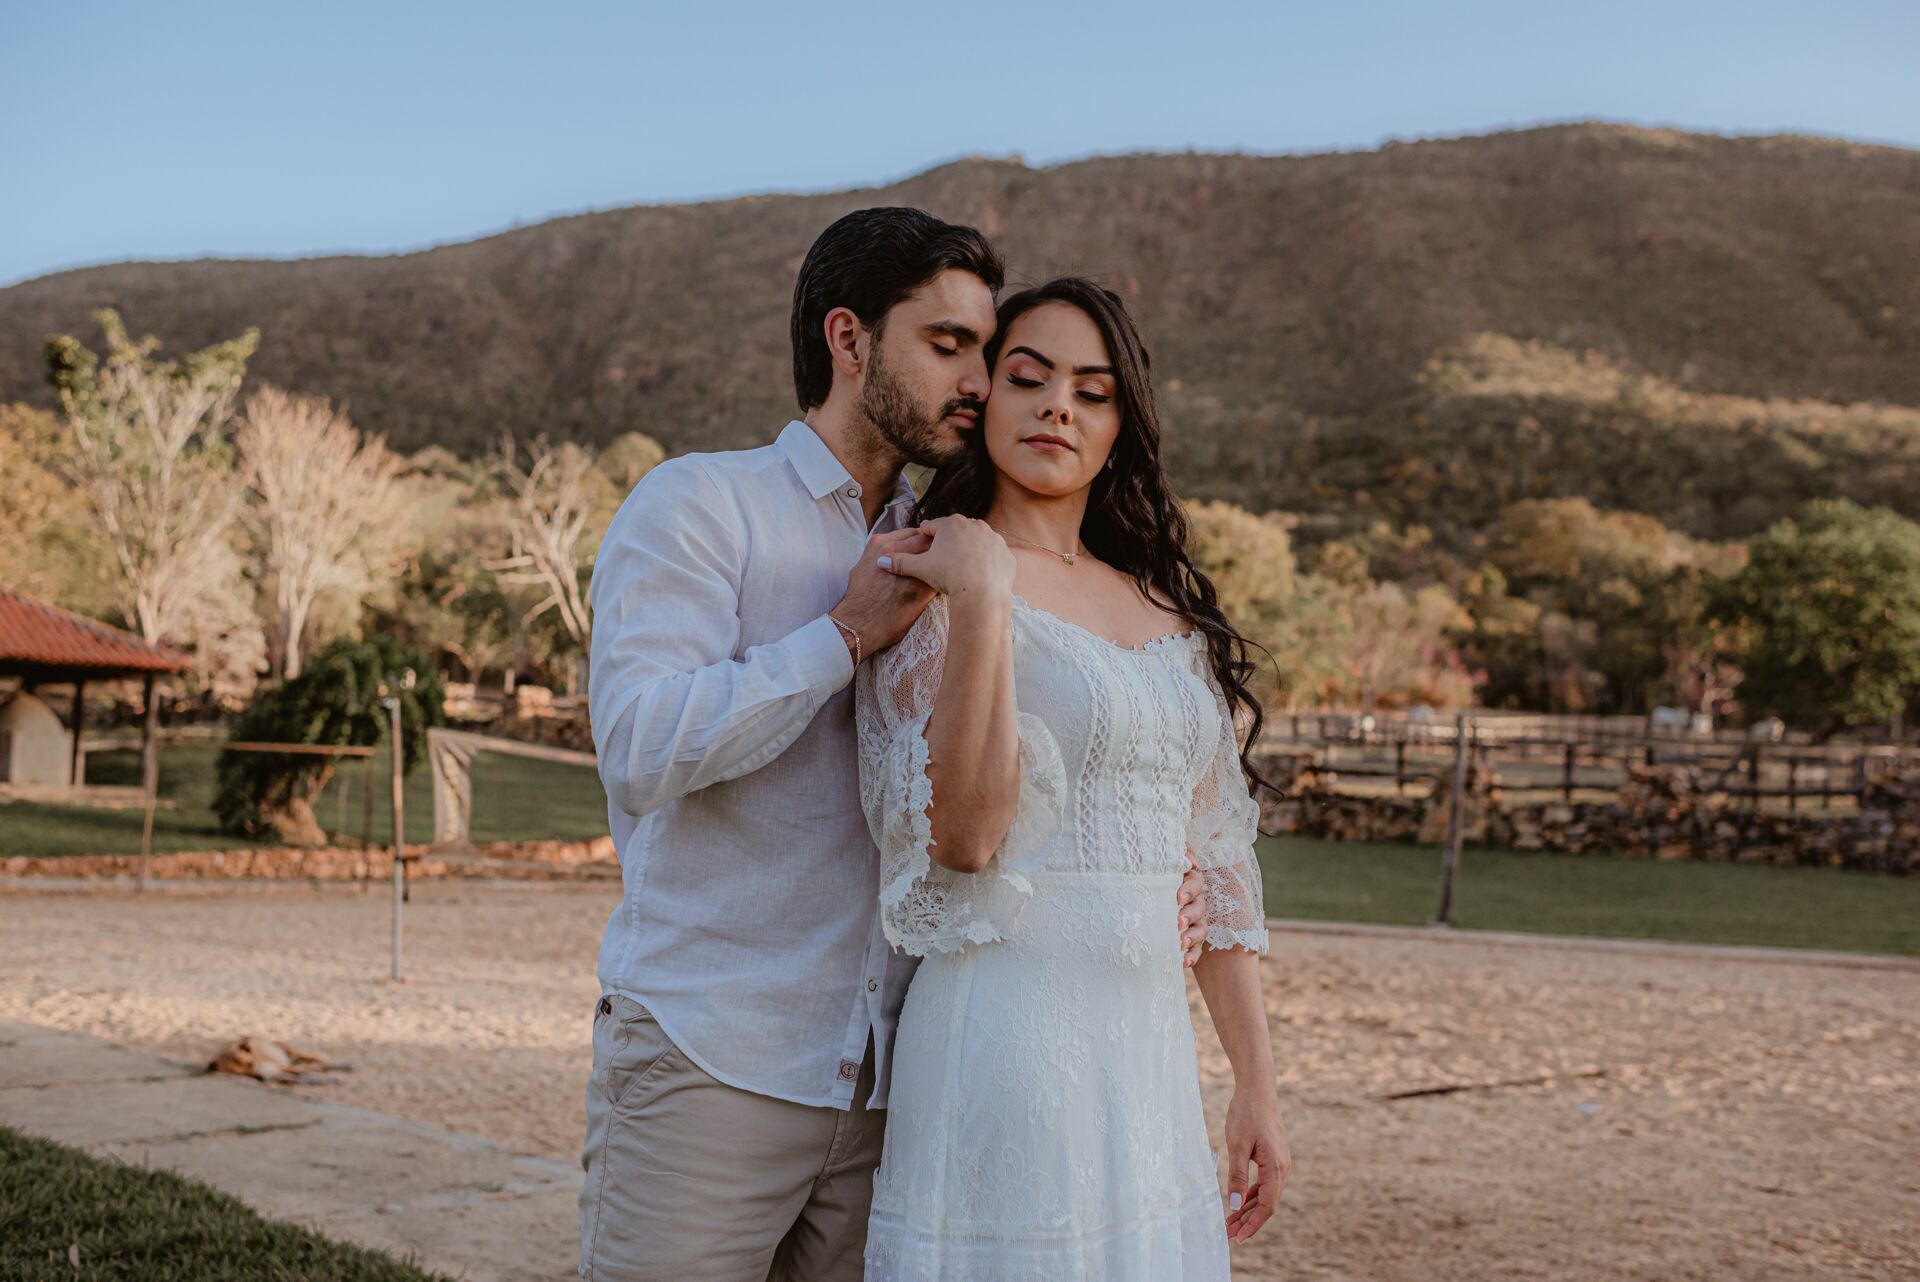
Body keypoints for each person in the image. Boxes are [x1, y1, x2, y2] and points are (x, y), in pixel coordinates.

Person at [578, 209, 1211, 1281]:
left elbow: (1001, 778)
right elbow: (639, 746)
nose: (977, 379)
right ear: (850, 340)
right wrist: (842, 636)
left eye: (984, 352)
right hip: (713, 1062)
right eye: (947, 344)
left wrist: (1156, 879)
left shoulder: (957, 552)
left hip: (897, 1091)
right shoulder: (701, 505)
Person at [856, 277, 1291, 1279]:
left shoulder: (1163, 609)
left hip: (1145, 1058)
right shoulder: (938, 577)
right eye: (1030, 377)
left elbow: (1216, 864)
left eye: (1092, 391)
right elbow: (962, 840)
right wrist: (985, 596)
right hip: (1004, 1031)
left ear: (1118, 426)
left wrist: (1256, 1086)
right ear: (985, 401)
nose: (1059, 404)